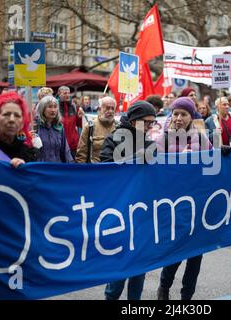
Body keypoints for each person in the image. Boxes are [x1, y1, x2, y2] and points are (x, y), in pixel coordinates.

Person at [155, 97, 212, 300]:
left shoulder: (203, 139)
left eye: (184, 114)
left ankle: (187, 296)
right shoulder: (162, 139)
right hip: (174, 205)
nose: (179, 118)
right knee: (176, 252)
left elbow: (212, 167)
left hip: (197, 204)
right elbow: (156, 168)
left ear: (192, 117)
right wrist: (180, 158)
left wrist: (221, 155)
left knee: (196, 255)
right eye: (175, 113)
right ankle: (164, 288)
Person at [100, 101, 157, 300]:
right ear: (134, 121)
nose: (150, 127)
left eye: (153, 123)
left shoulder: (150, 143)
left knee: (139, 266)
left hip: (142, 212)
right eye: (147, 122)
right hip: (120, 211)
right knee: (120, 264)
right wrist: (131, 160)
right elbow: (104, 168)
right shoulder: (114, 139)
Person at [76, 97, 118, 163]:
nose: (110, 111)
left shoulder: (119, 127)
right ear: (99, 109)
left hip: (114, 170)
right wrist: (82, 172)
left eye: (113, 108)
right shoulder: (89, 127)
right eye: (107, 108)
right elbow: (81, 155)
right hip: (95, 171)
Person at [35, 95, 73, 163]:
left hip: (56, 168)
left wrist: (71, 165)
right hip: (40, 168)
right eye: (50, 107)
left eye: (55, 107)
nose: (53, 110)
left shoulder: (59, 127)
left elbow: (65, 150)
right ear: (42, 109)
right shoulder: (35, 126)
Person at [57, 86, 84, 158]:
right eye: (65, 93)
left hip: (73, 144)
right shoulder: (55, 107)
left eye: (69, 93)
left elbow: (79, 125)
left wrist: (80, 117)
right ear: (59, 94)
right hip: (60, 144)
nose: (68, 95)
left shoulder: (75, 106)